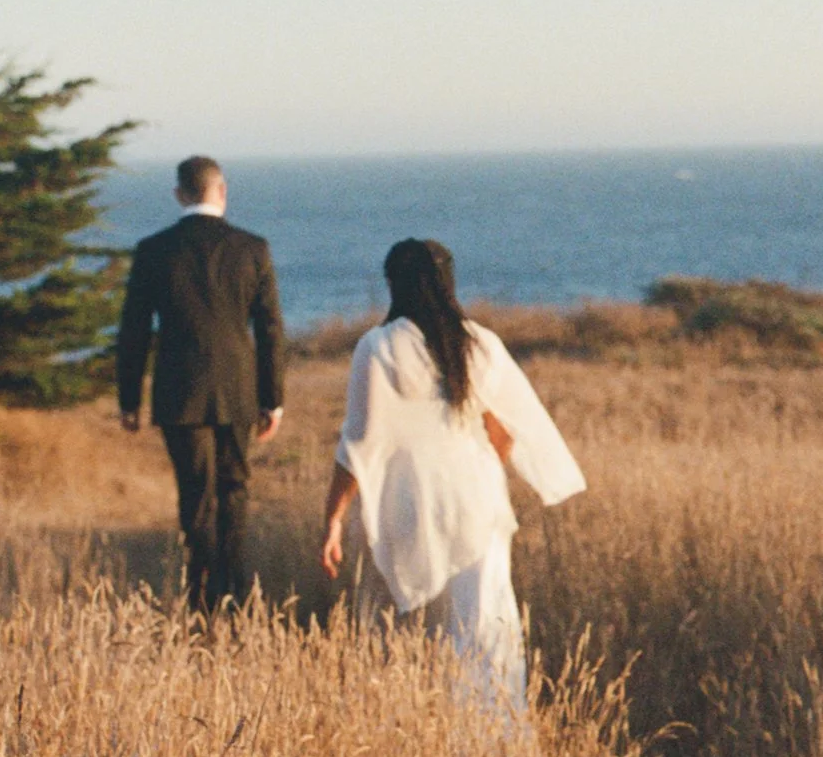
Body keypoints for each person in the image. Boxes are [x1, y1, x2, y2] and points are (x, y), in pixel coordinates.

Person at [319, 239, 585, 718]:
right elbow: (506, 431)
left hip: (409, 503)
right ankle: (495, 741)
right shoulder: (481, 343)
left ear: (393, 285)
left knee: (414, 633)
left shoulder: (378, 346)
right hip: (477, 501)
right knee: (486, 629)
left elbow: (358, 443)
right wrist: (482, 472)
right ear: (449, 282)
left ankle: (424, 732)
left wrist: (333, 517)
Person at [117, 155, 285, 612]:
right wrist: (274, 399)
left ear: (179, 194)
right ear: (222, 190)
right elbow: (270, 329)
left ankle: (201, 598)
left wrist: (129, 398)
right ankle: (233, 592)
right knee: (235, 489)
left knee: (195, 495)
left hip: (179, 389)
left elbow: (134, 329)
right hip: (238, 389)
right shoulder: (253, 248)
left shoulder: (153, 250)